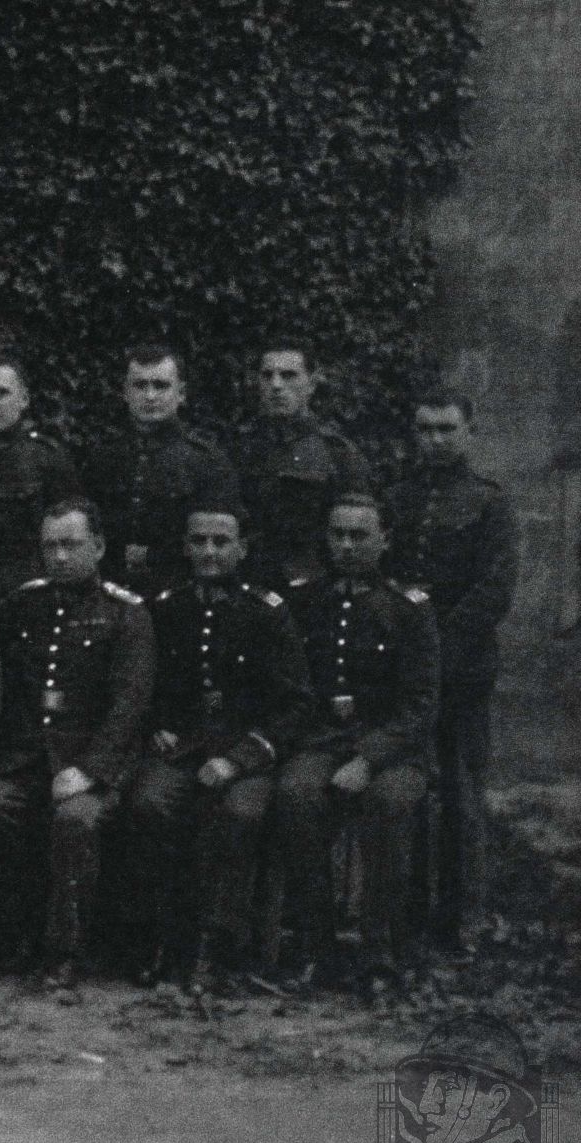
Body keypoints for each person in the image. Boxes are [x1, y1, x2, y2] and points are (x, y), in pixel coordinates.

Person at [126, 506, 312, 992]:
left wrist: (239, 759)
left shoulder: (267, 612)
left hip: (245, 754)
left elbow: (295, 705)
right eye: (199, 541)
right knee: (149, 802)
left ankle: (214, 948)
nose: (209, 551)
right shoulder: (166, 607)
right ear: (185, 547)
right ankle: (160, 939)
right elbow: (144, 681)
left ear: (242, 549)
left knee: (239, 814)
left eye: (221, 541)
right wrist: (156, 725)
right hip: (183, 749)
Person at [0, 498, 155, 999]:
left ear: (98, 547)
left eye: (70, 545)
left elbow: (129, 705)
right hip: (26, 756)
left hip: (94, 760)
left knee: (76, 819)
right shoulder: (23, 603)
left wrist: (90, 770)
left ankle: (65, 951)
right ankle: (12, 936)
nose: (58, 556)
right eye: (50, 546)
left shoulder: (126, 613)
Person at [275, 494, 440, 999]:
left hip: (393, 748)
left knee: (388, 802)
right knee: (297, 794)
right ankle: (315, 948)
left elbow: (421, 704)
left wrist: (369, 759)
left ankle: (381, 954)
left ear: (384, 540)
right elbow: (292, 687)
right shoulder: (304, 601)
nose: (346, 545)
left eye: (359, 535)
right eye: (338, 534)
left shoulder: (409, 607)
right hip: (323, 740)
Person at [383, 394, 517, 953]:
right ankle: (407, 913)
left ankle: (464, 919)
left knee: (461, 791)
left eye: (447, 429)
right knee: (406, 788)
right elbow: (385, 579)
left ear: (469, 431)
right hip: (402, 672)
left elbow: (494, 590)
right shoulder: (396, 498)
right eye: (425, 429)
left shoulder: (490, 502)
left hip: (463, 671)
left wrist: (437, 649)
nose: (435, 440)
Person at [78, 345, 239, 598]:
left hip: (179, 592)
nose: (150, 396)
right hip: (109, 592)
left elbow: (218, 542)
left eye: (161, 386)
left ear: (181, 393)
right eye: (140, 386)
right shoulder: (102, 457)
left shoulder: (207, 461)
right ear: (125, 392)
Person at [230, 339, 371, 586]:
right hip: (247, 582)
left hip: (314, 586)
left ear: (311, 384)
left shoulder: (337, 453)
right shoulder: (237, 448)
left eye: (288, 376)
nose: (276, 385)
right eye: (267, 376)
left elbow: (356, 531)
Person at [0, 355, 84, 604]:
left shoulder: (47, 457)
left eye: (1, 393)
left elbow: (69, 533)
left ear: (24, 399)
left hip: (30, 593)